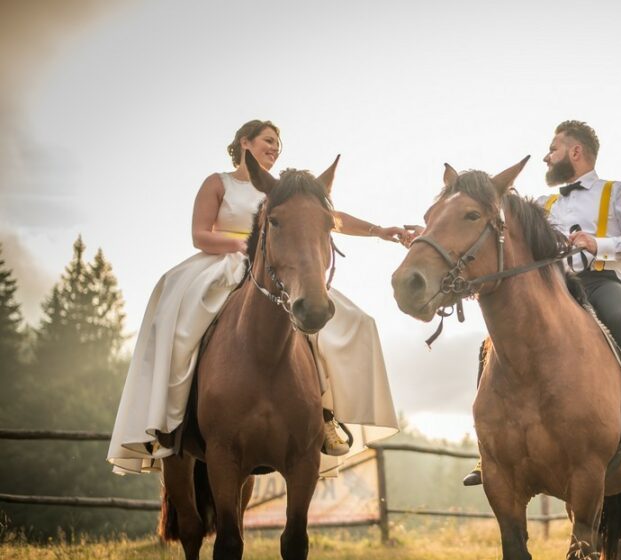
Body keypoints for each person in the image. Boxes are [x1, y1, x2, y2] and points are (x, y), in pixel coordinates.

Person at [108, 120, 402, 477]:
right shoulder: (219, 183)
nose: (274, 148)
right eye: (268, 140)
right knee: (180, 319)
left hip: (278, 267)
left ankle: (325, 413)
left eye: (278, 144)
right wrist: (248, 245)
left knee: (352, 322)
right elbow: (200, 235)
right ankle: (168, 416)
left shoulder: (281, 192)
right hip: (222, 263)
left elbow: (329, 218)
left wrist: (379, 231)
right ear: (244, 143)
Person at [462, 120, 621, 486]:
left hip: (600, 283)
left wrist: (599, 244)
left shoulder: (620, 192)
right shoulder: (541, 204)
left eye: (554, 148)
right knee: (491, 347)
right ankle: (489, 451)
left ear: (575, 152)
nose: (548, 156)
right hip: (552, 289)